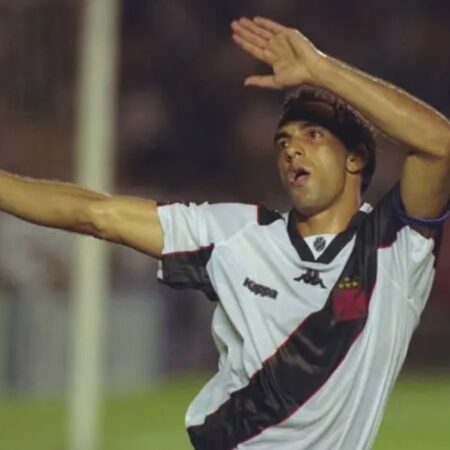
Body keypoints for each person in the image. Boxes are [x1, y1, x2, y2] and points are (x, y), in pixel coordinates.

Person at [0, 15, 449, 450]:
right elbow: (96, 214)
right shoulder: (236, 233)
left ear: (355, 158)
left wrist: (319, 69)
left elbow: (439, 144)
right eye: (283, 141)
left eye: (313, 135)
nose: (292, 149)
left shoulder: (393, 247)